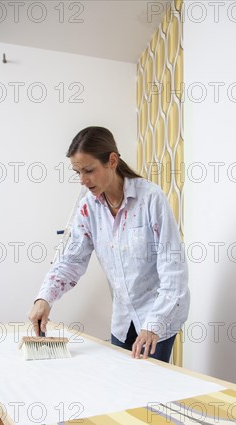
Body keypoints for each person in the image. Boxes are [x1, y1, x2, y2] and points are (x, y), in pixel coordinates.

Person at [29, 127, 189, 362]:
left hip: (158, 314)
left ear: (112, 160)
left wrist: (153, 326)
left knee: (148, 390)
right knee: (119, 388)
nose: (83, 180)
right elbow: (71, 261)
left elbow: (174, 271)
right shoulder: (88, 208)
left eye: (89, 170)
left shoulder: (151, 199)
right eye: (77, 172)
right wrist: (44, 298)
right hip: (123, 318)